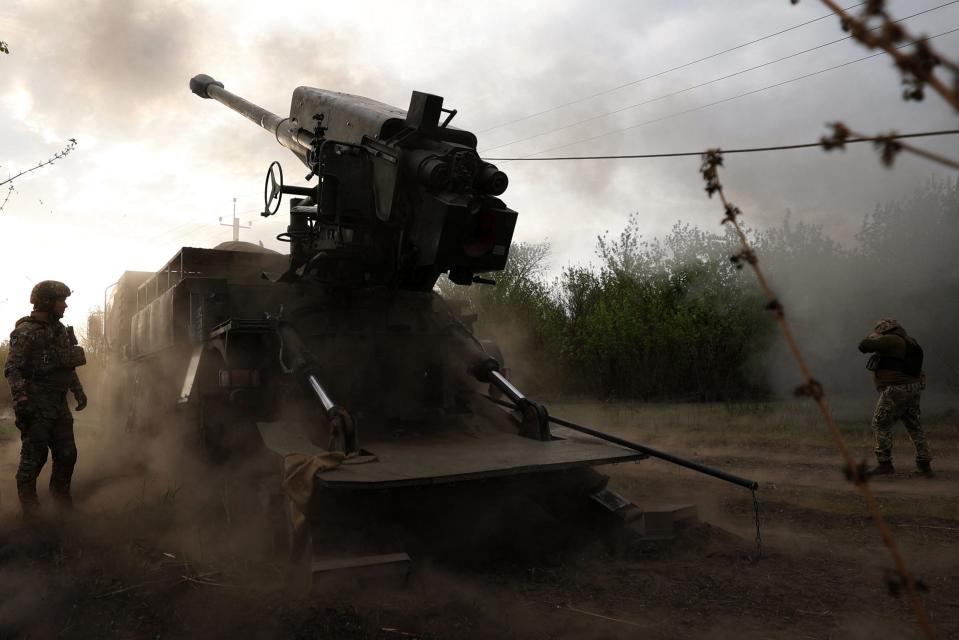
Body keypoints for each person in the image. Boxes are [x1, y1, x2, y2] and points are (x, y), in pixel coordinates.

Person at [4, 280, 87, 514]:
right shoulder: (25, 332)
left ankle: (61, 505)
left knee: (67, 455)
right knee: (34, 460)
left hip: (59, 406)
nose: (65, 306)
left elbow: (66, 365)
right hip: (36, 405)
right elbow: (13, 369)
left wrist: (77, 390)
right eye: (62, 301)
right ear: (47, 302)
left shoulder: (60, 331)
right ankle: (31, 515)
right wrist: (21, 400)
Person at [858, 318, 933, 478]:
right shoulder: (910, 341)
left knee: (880, 423)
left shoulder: (891, 339)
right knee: (914, 425)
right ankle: (924, 465)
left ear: (884, 329)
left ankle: (884, 464)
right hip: (913, 387)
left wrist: (873, 336)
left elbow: (863, 346)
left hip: (896, 389)